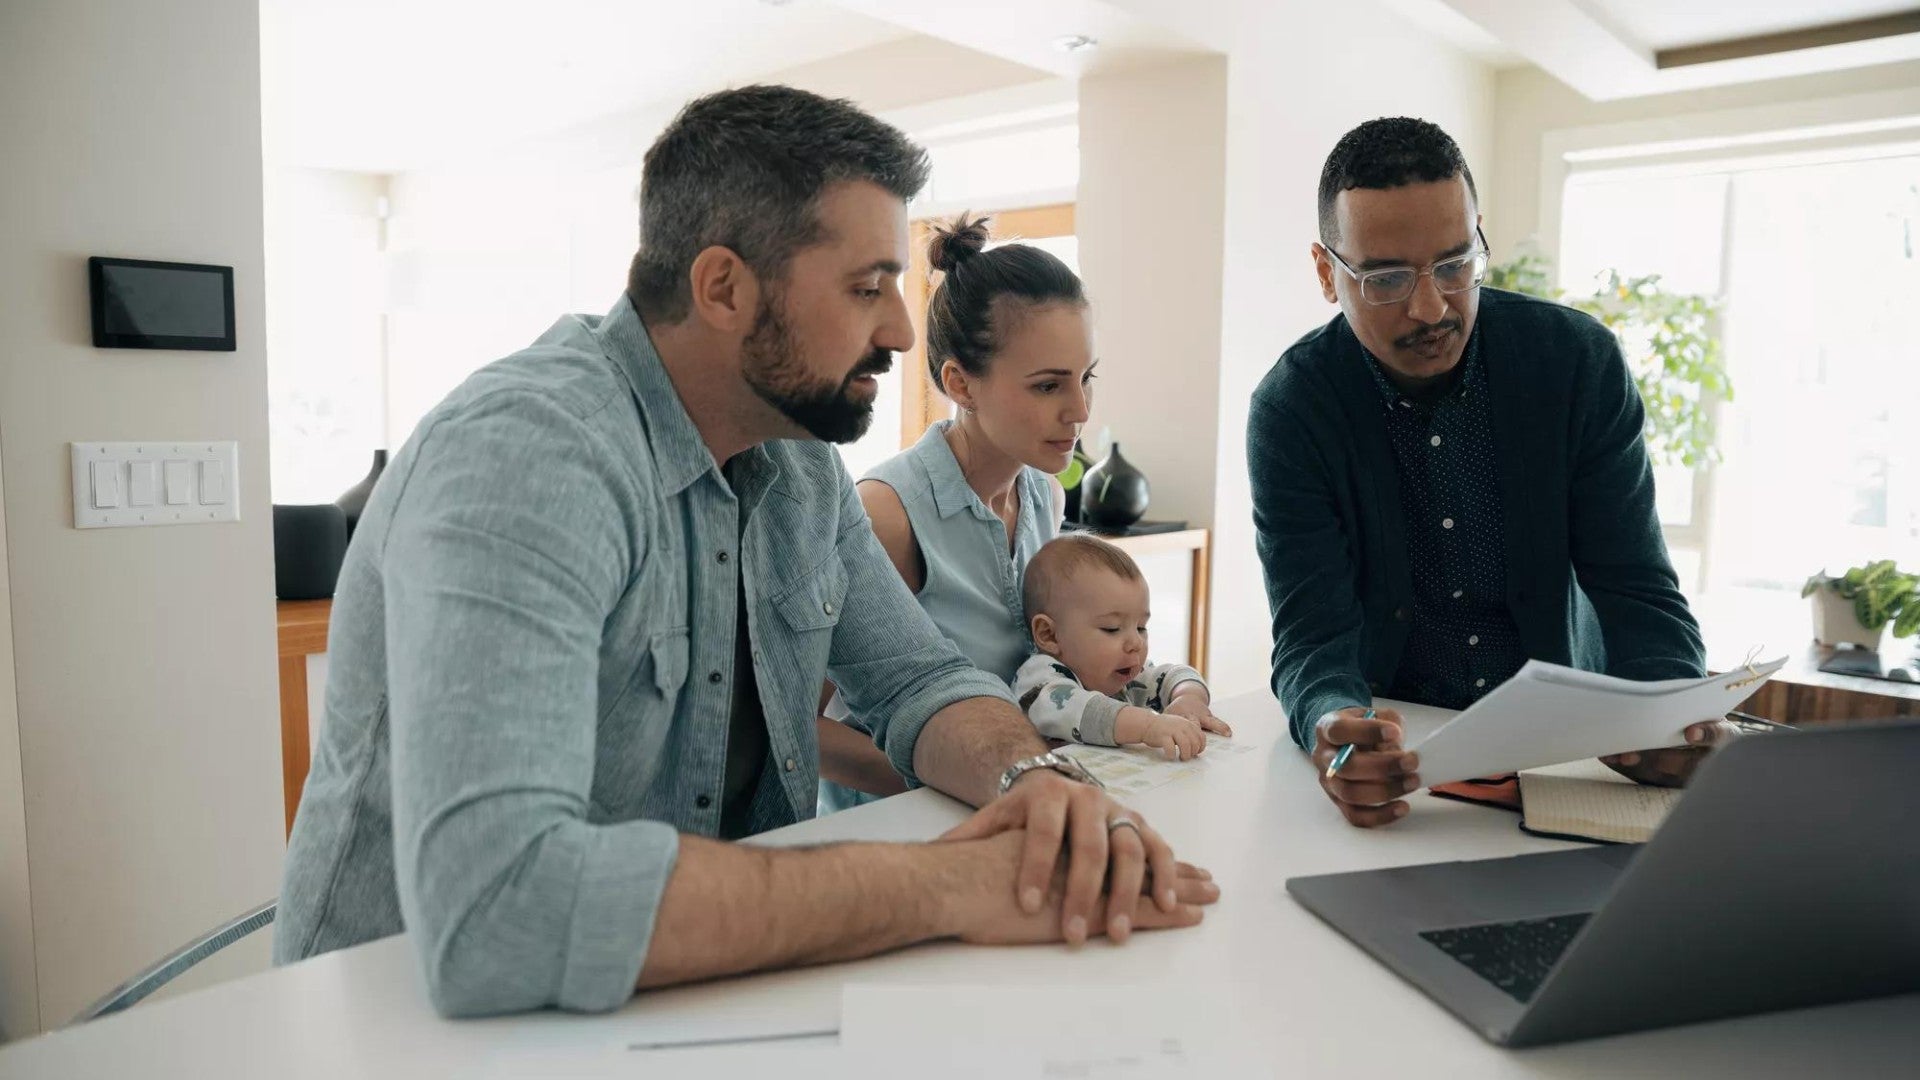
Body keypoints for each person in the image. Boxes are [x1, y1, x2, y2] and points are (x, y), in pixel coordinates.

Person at [274, 85, 1218, 1019]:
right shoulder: (531, 455)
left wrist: (1037, 785)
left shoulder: (799, 468)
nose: (897, 330)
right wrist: (946, 886)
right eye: (866, 287)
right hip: (413, 1030)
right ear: (723, 287)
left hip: (696, 995)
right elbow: (499, 908)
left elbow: (920, 681)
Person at [1246, 116, 1727, 829]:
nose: (1431, 306)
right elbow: (1314, 633)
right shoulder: (1294, 410)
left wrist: (1670, 713)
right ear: (1327, 273)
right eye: (1386, 278)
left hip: (1571, 755)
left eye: (1454, 263)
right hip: (1403, 761)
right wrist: (1332, 726)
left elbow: (1635, 586)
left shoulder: (1576, 365)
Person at [815, 214, 1091, 810]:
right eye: (1048, 386)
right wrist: (977, 778)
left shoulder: (1046, 494)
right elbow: (797, 729)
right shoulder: (885, 516)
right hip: (894, 833)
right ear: (961, 384)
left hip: (1006, 804)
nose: (1080, 411)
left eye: (1085, 379)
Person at [1011, 534, 1231, 761]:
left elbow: (1176, 674)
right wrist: (1149, 726)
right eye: (1112, 628)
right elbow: (1088, 712)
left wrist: (1188, 698)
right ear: (1049, 635)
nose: (1136, 642)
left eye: (1141, 627)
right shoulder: (1040, 682)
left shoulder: (1124, 673)